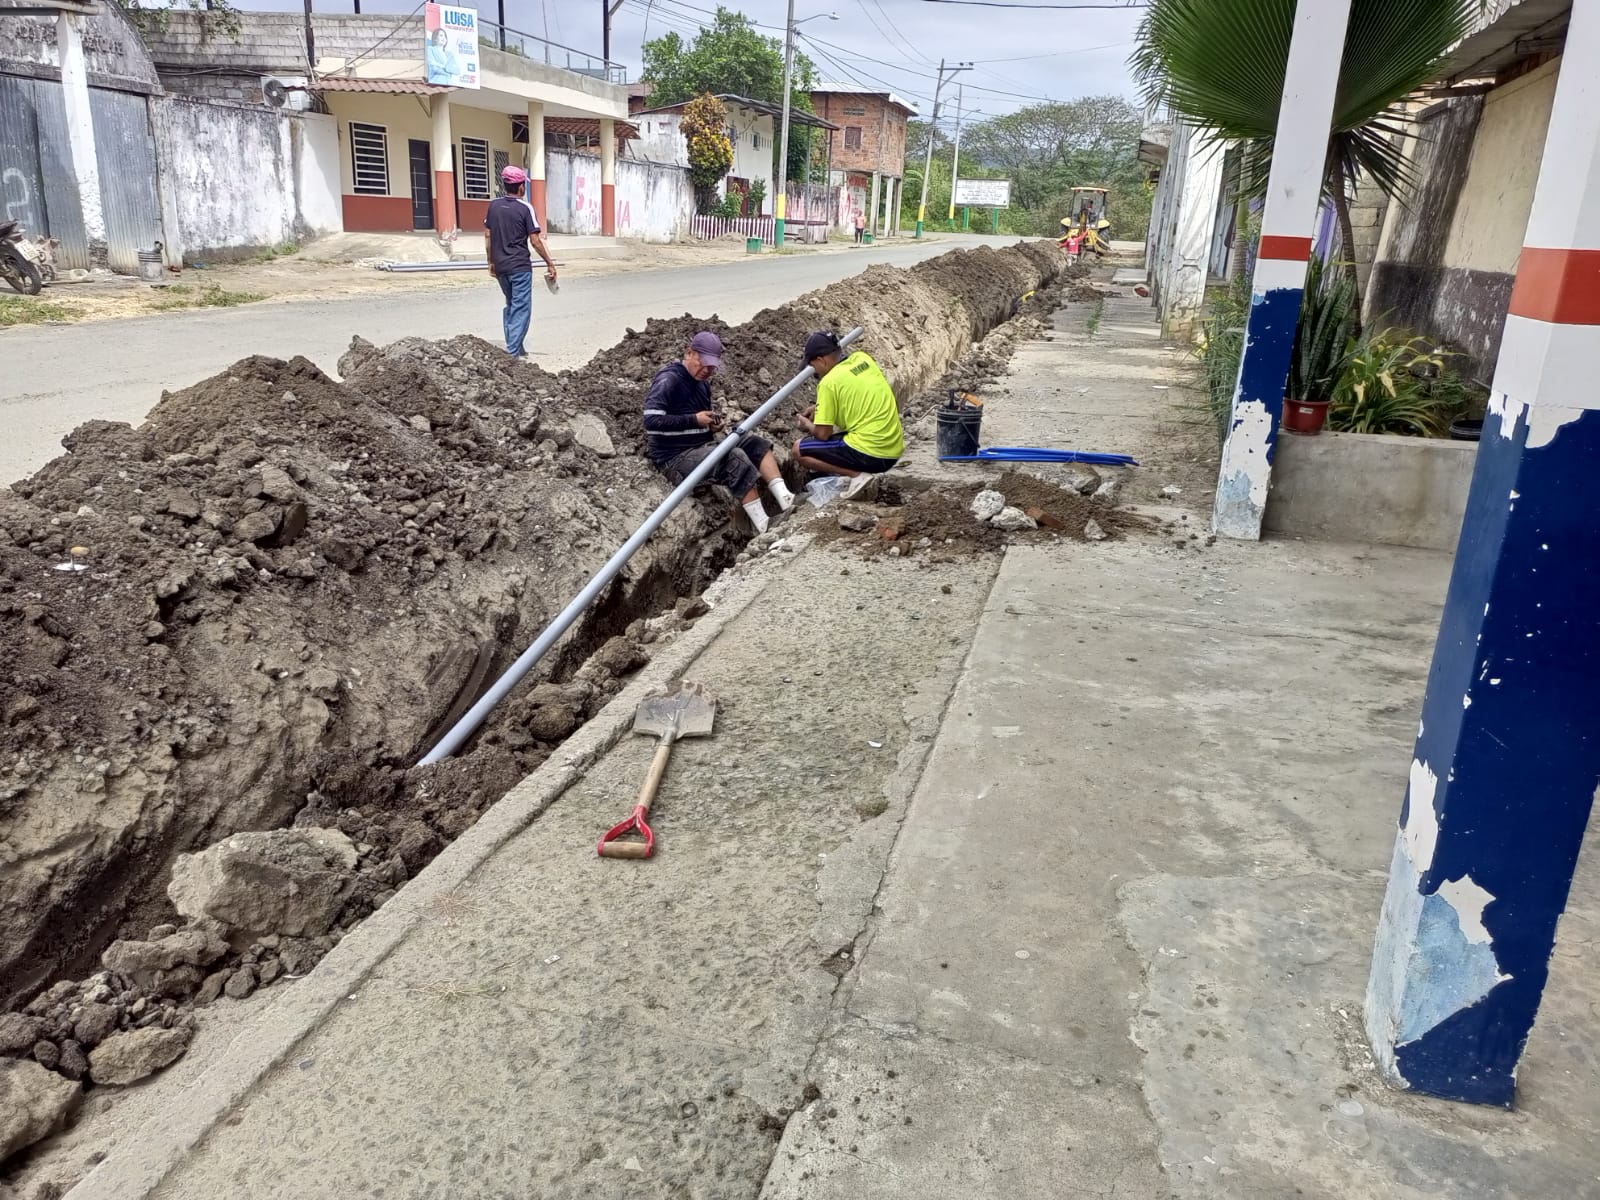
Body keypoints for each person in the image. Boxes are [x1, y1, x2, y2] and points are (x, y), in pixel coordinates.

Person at [644, 331, 796, 534]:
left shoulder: (702, 384)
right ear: (689, 353)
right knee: (733, 457)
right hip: (674, 458)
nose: (707, 370)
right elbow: (651, 421)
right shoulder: (669, 380)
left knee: (753, 443)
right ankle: (763, 526)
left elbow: (698, 418)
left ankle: (785, 498)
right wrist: (694, 419)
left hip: (700, 446)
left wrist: (710, 425)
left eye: (711, 366)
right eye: (703, 363)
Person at [793, 331, 903, 493]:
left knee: (798, 449)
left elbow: (823, 434)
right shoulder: (863, 359)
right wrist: (820, 408)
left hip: (873, 455)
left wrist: (807, 424)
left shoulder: (828, 383)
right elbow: (858, 392)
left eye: (812, 364)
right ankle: (857, 473)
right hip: (893, 450)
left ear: (821, 360)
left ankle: (857, 476)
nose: (814, 370)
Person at [484, 165, 555, 359]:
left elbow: (488, 235)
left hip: (501, 266)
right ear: (521, 186)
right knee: (521, 308)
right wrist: (549, 263)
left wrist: (491, 262)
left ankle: (517, 345)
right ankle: (512, 352)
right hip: (519, 267)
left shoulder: (493, 206)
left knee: (511, 304)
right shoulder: (525, 208)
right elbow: (535, 241)